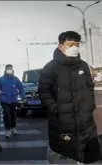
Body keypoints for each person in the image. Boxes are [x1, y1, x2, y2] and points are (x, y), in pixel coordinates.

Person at [38, 31, 101, 164]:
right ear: (61, 46)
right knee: (59, 149)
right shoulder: (51, 67)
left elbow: (89, 86)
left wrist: (89, 105)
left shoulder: (83, 65)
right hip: (62, 120)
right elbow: (44, 91)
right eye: (70, 44)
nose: (75, 47)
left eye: (77, 44)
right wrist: (55, 109)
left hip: (84, 118)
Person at [0, 64, 26, 138]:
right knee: (6, 114)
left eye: (10, 68)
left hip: (13, 100)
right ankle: (7, 130)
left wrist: (23, 97)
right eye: (8, 68)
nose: (9, 70)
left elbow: (21, 88)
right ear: (5, 70)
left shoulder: (15, 79)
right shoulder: (1, 79)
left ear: (12, 70)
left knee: (13, 114)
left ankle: (13, 128)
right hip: (4, 100)